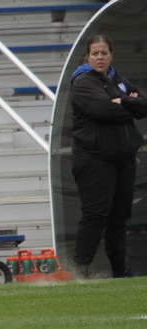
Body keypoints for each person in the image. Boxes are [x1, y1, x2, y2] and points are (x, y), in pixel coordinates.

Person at [70, 35, 147, 278]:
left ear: (111, 55)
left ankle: (119, 273)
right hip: (94, 158)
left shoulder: (117, 81)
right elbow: (103, 110)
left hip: (122, 160)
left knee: (119, 217)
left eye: (104, 53)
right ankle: (80, 272)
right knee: (95, 215)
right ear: (87, 57)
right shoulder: (82, 81)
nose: (100, 57)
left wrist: (122, 101)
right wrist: (130, 108)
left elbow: (144, 106)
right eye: (95, 53)